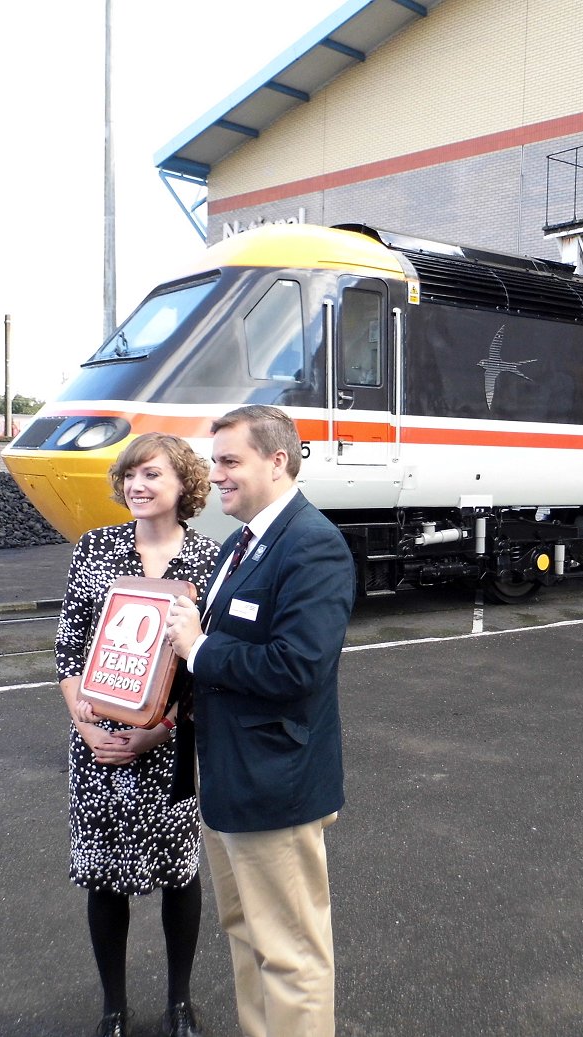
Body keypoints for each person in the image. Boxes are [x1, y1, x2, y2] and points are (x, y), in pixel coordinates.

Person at [164, 405, 356, 1037]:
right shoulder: (241, 544)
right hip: (228, 782)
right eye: (213, 461)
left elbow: (297, 667)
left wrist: (198, 648)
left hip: (275, 788)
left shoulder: (314, 545)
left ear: (277, 462)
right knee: (246, 938)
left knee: (291, 954)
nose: (214, 475)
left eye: (228, 462)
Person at [54, 432, 218, 1037]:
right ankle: (113, 1010)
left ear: (183, 485)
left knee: (179, 874)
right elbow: (69, 648)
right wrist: (84, 724)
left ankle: (180, 1002)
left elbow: (207, 661)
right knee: (102, 878)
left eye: (151, 474)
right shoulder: (94, 550)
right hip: (97, 746)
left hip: (167, 747)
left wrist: (159, 729)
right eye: (129, 475)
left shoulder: (208, 559)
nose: (136, 485)